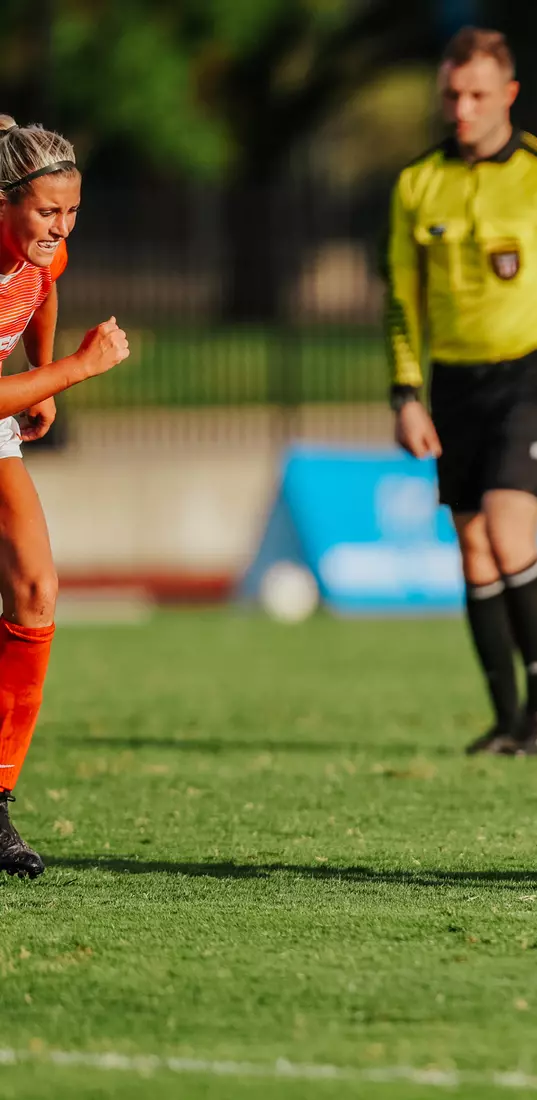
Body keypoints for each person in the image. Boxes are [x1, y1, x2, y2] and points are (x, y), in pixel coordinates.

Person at [385, 27, 537, 758]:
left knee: (506, 527)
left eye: (478, 95)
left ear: (508, 95)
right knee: (471, 551)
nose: (462, 108)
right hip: (457, 382)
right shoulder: (416, 183)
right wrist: (405, 392)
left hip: (536, 373)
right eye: (453, 95)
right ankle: (507, 720)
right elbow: (401, 299)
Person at [0, 117, 131, 878]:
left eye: (72, 211)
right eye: (47, 211)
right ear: (6, 202)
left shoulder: (40, 254)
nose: (60, 227)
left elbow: (43, 290)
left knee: (36, 590)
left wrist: (41, 370)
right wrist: (74, 372)